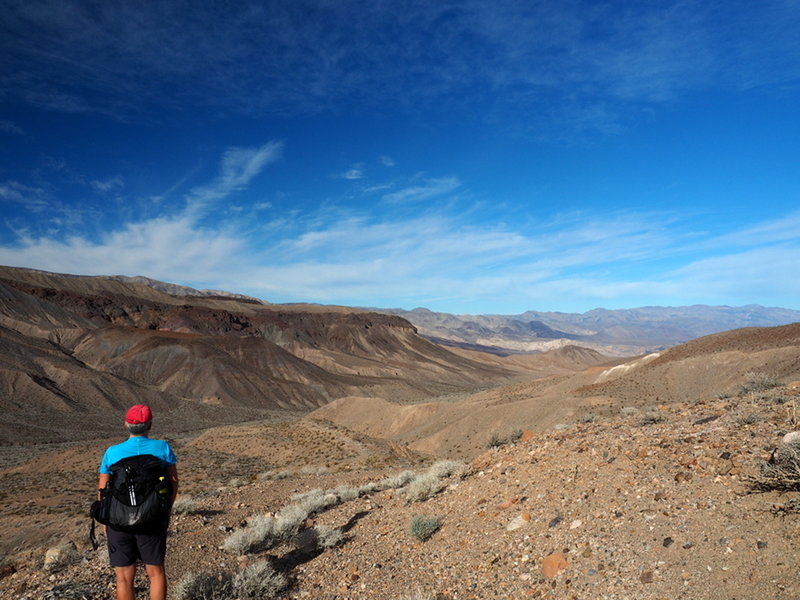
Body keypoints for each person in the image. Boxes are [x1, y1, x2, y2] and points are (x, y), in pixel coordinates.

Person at [98, 405, 179, 600]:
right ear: (150, 425)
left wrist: (105, 520)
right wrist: (165, 510)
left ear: (126, 425)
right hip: (152, 518)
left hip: (118, 521)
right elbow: (173, 483)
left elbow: (103, 489)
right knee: (156, 573)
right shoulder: (162, 448)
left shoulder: (112, 452)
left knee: (124, 579)